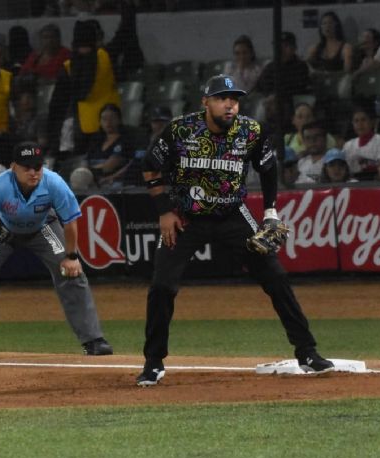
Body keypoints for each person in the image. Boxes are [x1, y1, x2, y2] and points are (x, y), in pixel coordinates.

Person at [137, 74, 334, 386]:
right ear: (206, 102)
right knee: (162, 287)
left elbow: (268, 168)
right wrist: (164, 211)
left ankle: (307, 352)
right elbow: (150, 166)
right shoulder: (181, 129)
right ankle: (153, 362)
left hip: (232, 214)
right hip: (187, 217)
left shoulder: (250, 130)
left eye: (234, 99)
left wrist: (270, 212)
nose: (229, 104)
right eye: (221, 98)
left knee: (276, 278)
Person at [0, 141, 113, 362]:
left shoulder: (54, 182)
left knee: (72, 273)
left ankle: (94, 340)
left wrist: (72, 257)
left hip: (43, 228)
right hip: (4, 231)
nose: (33, 172)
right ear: (13, 167)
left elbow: (71, 221)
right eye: (27, 167)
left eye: (37, 166)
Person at [47, 20, 121, 156]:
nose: (84, 51)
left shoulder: (70, 67)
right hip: (97, 131)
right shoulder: (106, 56)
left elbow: (56, 108)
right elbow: (57, 107)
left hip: (96, 132)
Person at [254, 32, 310, 131]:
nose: (282, 50)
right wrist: (269, 95)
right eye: (279, 46)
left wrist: (277, 95)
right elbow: (260, 85)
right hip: (269, 101)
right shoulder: (271, 66)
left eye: (286, 46)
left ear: (294, 48)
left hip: (290, 102)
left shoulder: (300, 66)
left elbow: (298, 87)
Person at [342, 105, 380, 180]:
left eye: (363, 120)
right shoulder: (348, 145)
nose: (360, 124)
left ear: (372, 122)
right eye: (356, 121)